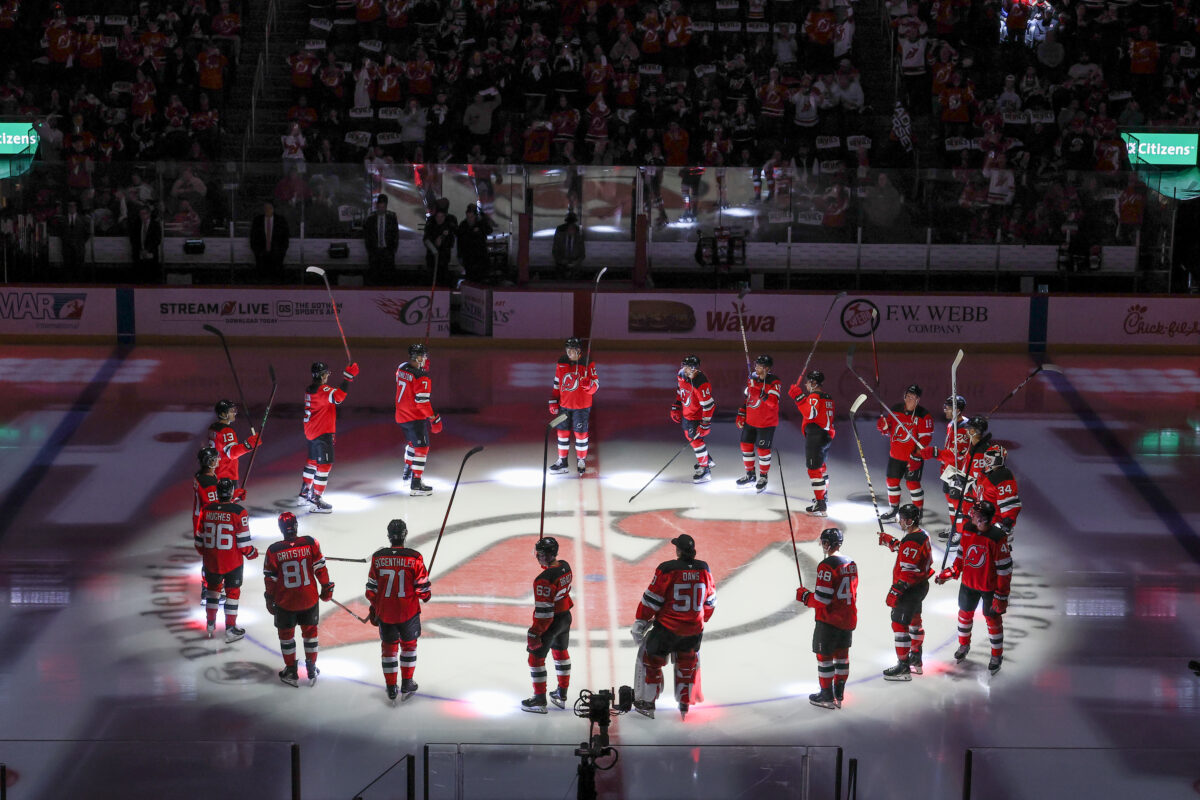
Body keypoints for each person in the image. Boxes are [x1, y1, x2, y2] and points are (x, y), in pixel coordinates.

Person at [630, 533, 716, 719]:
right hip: (694, 631)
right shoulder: (704, 569)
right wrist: (699, 619)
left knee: (650, 661)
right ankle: (685, 703)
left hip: (667, 630)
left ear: (678, 550)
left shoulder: (667, 569)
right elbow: (710, 601)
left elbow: (651, 600)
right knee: (687, 664)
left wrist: (640, 622)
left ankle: (647, 702)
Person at [935, 500, 1012, 675]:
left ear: (983, 519)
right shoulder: (968, 529)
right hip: (968, 584)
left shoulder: (997, 538)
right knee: (964, 615)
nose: (971, 514)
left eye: (975, 513)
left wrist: (1001, 595)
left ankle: (996, 655)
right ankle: (963, 645)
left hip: (989, 588)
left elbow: (1004, 569)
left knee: (992, 621)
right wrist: (951, 572)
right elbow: (961, 556)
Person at [264, 512, 333, 687]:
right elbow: (320, 570)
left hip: (285, 601)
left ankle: (291, 670)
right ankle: (311, 667)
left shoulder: (273, 550)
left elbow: (270, 579)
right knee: (310, 633)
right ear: (296, 526)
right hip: (308, 599)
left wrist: (269, 598)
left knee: (286, 636)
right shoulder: (310, 543)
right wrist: (326, 587)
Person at [366, 519, 431, 703]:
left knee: (389, 650)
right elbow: (422, 589)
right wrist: (426, 595)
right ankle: (407, 683)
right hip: (408, 613)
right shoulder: (415, 557)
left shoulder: (378, 557)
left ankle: (391, 687)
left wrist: (375, 606)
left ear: (388, 536)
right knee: (409, 647)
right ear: (405, 534)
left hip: (386, 613)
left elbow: (371, 589)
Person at [796, 527, 857, 709]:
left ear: (827, 544)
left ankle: (826, 695)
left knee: (825, 657)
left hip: (830, 620)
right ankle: (839, 691)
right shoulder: (851, 563)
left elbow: (822, 599)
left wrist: (805, 596)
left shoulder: (827, 566)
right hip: (848, 618)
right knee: (842, 656)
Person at [195, 478, 258, 642]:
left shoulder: (206, 510)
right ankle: (230, 628)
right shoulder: (239, 512)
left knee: (212, 591)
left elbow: (199, 541)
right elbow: (244, 544)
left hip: (211, 562)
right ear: (231, 492)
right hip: (232, 563)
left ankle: (210, 625)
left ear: (217, 492)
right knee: (232, 594)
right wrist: (252, 553)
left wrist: (207, 554)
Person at [877, 504, 933, 680]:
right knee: (915, 621)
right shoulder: (921, 535)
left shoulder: (912, 541)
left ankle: (903, 667)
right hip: (920, 586)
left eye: (901, 518)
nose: (899, 521)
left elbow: (908, 572)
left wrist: (895, 591)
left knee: (899, 625)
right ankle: (916, 658)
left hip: (909, 589)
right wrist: (892, 542)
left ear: (909, 521)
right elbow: (909, 551)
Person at [297, 360, 359, 513]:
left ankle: (304, 493)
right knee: (324, 465)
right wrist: (348, 377)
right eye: (327, 373)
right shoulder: (323, 389)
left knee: (312, 462)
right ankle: (316, 499)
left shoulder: (309, 389)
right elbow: (338, 397)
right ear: (323, 375)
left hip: (311, 431)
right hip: (322, 433)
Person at [521, 536, 574, 713]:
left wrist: (535, 633)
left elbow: (544, 613)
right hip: (565, 617)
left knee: (535, 658)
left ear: (545, 555)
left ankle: (539, 700)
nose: (537, 556)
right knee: (561, 653)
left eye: (539, 553)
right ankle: (561, 693)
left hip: (550, 622)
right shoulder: (565, 565)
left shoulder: (543, 579)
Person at [875, 384, 934, 522]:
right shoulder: (895, 409)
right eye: (907, 396)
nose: (909, 399)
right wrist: (883, 426)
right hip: (895, 455)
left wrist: (916, 456)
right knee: (891, 481)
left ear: (918, 399)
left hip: (913, 457)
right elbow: (888, 428)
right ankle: (893, 509)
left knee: (912, 484)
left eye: (912, 397)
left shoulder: (924, 415)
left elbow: (926, 439)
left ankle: (917, 512)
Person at [918, 395, 970, 540]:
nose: (945, 409)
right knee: (950, 500)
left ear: (958, 410)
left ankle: (961, 534)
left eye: (948, 407)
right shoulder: (951, 424)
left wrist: (936, 453)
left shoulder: (964, 428)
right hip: (949, 469)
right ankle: (955, 529)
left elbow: (958, 454)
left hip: (959, 471)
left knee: (957, 502)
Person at [395, 343, 441, 496]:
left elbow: (407, 378)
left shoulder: (401, 367)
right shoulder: (422, 377)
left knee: (412, 444)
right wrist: (434, 418)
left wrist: (420, 369)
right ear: (419, 357)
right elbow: (422, 402)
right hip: (414, 417)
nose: (426, 358)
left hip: (401, 415)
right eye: (424, 356)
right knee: (422, 448)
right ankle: (416, 483)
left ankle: (407, 471)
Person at [787, 369, 835, 516]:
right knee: (821, 468)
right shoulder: (828, 397)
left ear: (814, 383)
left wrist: (798, 396)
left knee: (814, 469)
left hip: (816, 436)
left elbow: (810, 413)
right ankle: (823, 498)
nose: (806, 385)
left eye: (808, 382)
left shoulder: (814, 396)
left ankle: (821, 504)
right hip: (825, 435)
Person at [549, 337, 599, 475]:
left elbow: (596, 385)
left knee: (581, 434)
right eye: (567, 350)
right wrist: (554, 399)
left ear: (578, 350)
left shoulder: (587, 363)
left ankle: (581, 460)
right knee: (562, 433)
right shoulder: (562, 362)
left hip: (581, 407)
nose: (569, 353)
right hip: (564, 405)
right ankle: (562, 461)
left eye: (572, 350)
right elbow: (557, 382)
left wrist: (589, 385)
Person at [735, 355, 781, 493]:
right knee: (745, 446)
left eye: (759, 366)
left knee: (762, 450)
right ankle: (750, 475)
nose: (756, 368)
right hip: (751, 421)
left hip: (766, 423)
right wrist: (742, 413)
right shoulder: (752, 378)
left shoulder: (774, 381)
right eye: (756, 365)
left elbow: (773, 402)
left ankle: (763, 477)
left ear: (767, 368)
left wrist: (760, 394)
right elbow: (748, 399)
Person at [671, 355, 715, 483]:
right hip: (687, 413)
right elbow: (680, 390)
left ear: (695, 369)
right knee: (689, 437)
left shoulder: (701, 382)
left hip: (696, 416)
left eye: (688, 368)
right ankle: (707, 459)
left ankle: (705, 469)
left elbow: (709, 405)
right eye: (684, 366)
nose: (685, 370)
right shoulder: (681, 374)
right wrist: (676, 405)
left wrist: (705, 423)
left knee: (695, 441)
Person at [974, 444, 1021, 544]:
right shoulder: (984, 474)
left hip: (993, 524)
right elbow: (979, 493)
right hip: (982, 520)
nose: (988, 460)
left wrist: (1006, 525)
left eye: (991, 457)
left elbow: (1009, 503)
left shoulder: (1002, 476)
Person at [207, 399, 259, 482]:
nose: (234, 413)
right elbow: (232, 453)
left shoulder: (213, 427)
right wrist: (250, 444)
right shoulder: (226, 430)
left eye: (234, 410)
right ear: (223, 414)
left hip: (216, 474)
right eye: (231, 411)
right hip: (226, 475)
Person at [422, 197, 457, 285]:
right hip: (432, 258)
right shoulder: (430, 222)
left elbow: (453, 236)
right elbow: (426, 238)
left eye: (442, 217)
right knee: (431, 280)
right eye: (438, 216)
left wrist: (444, 238)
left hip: (444, 258)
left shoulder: (450, 221)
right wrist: (434, 244)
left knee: (443, 280)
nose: (439, 219)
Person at [365, 193, 399, 281]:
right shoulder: (371, 219)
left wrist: (393, 250)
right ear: (377, 206)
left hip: (388, 252)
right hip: (374, 252)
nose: (381, 209)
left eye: (383, 207)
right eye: (380, 207)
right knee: (375, 277)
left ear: (386, 206)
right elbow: (367, 236)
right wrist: (370, 251)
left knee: (388, 277)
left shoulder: (391, 219)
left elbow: (395, 234)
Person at [250, 200, 290, 274]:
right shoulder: (257, 221)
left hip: (277, 256)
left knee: (275, 278)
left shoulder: (280, 221)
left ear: (273, 209)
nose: (267, 210)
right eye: (265, 208)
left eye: (269, 208)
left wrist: (281, 252)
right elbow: (253, 238)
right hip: (261, 256)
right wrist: (257, 252)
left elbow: (285, 238)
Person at [456, 204, 493, 283]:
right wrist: (460, 255)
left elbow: (489, 230)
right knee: (470, 277)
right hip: (468, 257)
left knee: (480, 278)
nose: (470, 219)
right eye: (468, 217)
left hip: (480, 256)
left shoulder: (481, 224)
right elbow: (460, 241)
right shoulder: (463, 225)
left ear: (475, 216)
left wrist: (482, 225)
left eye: (471, 217)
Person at [193, 447, 222, 537]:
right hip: (211, 525)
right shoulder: (208, 483)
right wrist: (234, 496)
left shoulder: (201, 475)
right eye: (216, 458)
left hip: (202, 519)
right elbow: (217, 507)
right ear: (210, 462)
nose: (219, 459)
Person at [59, 200, 90, 280]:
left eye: (73, 206)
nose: (71, 208)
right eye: (70, 206)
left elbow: (87, 233)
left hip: (79, 248)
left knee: (79, 269)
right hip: (67, 249)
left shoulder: (83, 219)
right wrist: (67, 241)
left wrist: (80, 242)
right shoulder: (63, 220)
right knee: (67, 269)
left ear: (76, 207)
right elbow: (60, 233)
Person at [128, 204, 162, 279]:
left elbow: (157, 240)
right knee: (139, 277)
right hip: (138, 255)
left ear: (149, 214)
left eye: (144, 213)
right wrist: (140, 250)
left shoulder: (155, 225)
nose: (142, 216)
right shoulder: (136, 224)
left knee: (151, 276)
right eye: (140, 214)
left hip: (151, 255)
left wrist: (147, 250)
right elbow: (133, 239)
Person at [551, 212, 586, 277]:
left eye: (573, 227)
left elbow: (582, 254)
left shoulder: (579, 238)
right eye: (569, 227)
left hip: (576, 268)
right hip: (561, 266)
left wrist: (575, 263)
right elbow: (554, 252)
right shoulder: (560, 237)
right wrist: (562, 261)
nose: (571, 229)